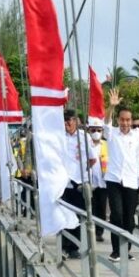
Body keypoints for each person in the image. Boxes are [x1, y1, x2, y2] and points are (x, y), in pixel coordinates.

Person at [104, 89, 139, 262]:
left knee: (129, 217)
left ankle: (126, 249)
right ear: (118, 120)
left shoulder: (137, 135)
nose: (125, 123)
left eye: (128, 120)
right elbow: (106, 122)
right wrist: (111, 107)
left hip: (131, 181)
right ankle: (115, 250)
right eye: (122, 120)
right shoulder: (112, 134)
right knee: (117, 215)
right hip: (114, 179)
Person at [61, 109, 97, 259]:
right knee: (63, 215)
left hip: (79, 180)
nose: (69, 123)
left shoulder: (84, 137)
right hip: (63, 181)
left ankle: (74, 246)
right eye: (66, 119)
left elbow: (93, 159)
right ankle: (63, 245)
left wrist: (82, 170)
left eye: (72, 119)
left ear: (76, 121)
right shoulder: (58, 137)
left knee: (78, 215)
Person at [88, 117, 108, 242]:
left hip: (102, 181)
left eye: (99, 130)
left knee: (101, 208)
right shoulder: (85, 143)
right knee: (90, 208)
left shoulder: (106, 144)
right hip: (89, 181)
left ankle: (99, 232)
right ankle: (90, 231)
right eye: (93, 129)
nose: (96, 132)